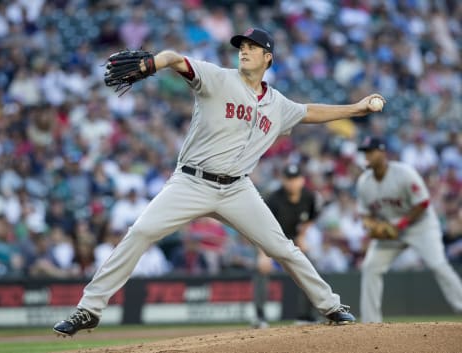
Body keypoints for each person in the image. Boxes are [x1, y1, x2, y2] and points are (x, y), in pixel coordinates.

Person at [53, 27, 384, 336]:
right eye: (242, 46)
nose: (244, 51)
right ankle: (89, 308)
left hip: (237, 189)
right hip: (191, 182)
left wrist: (357, 109)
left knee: (282, 248)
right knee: (140, 232)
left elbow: (310, 111)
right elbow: (174, 59)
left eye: (253, 47)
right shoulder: (216, 78)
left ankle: (330, 306)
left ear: (268, 57)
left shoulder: (277, 104)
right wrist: (154, 62)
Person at [355, 136, 462, 323]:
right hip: (391, 231)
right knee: (370, 267)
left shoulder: (403, 173)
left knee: (438, 264)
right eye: (365, 152)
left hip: (421, 226)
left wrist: (402, 223)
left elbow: (423, 203)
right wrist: (372, 226)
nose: (367, 156)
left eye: (370, 151)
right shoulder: (364, 182)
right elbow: (365, 215)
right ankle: (370, 322)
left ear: (382, 152)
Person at [253, 163, 320, 328]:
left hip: (293, 240)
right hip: (271, 240)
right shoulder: (274, 199)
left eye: (295, 178)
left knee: (310, 267)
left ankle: (306, 315)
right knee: (261, 271)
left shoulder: (309, 197)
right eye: (289, 179)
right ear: (283, 180)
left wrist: (302, 237)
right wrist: (262, 254)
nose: (292, 182)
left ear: (302, 180)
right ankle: (260, 316)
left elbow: (311, 218)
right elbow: (260, 226)